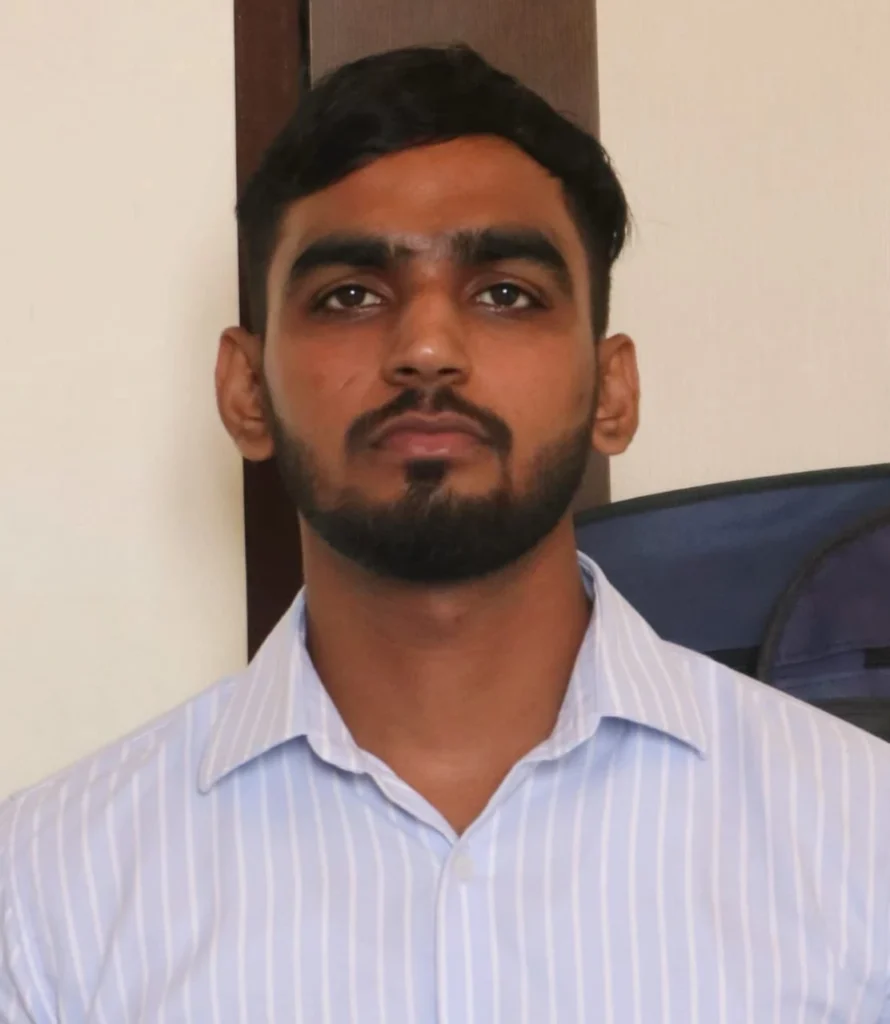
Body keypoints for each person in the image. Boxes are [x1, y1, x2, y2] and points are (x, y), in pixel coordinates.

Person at [1, 43, 888, 1024]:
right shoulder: (45, 897)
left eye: (505, 292)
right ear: (246, 391)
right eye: (350, 295)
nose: (425, 348)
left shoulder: (862, 838)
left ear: (613, 391)